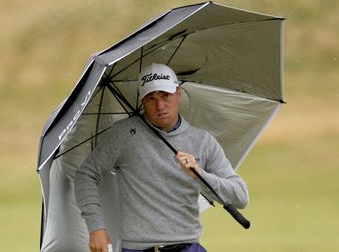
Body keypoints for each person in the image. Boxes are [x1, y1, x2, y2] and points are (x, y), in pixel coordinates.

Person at [74, 63, 249, 252]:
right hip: (137, 249)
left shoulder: (202, 141)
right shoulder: (123, 135)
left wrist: (200, 174)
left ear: (178, 93)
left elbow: (240, 196)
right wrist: (96, 227)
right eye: (151, 98)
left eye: (166, 95)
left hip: (187, 247)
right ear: (142, 101)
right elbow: (86, 175)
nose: (160, 105)